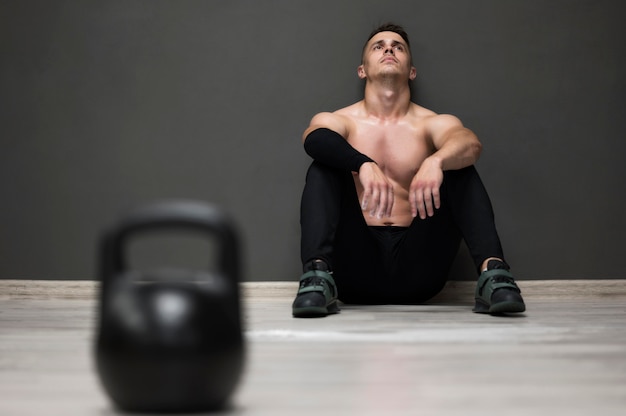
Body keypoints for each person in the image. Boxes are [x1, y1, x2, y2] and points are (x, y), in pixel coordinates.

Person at [292, 23, 525, 317]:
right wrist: (363, 163)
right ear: (362, 70)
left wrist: (436, 161)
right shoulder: (341, 120)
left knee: (457, 162)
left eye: (397, 46)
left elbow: (470, 143)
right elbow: (314, 139)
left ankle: (495, 274)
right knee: (323, 165)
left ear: (412, 71)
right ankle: (316, 275)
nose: (388, 48)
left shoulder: (431, 123)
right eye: (379, 46)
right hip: (352, 270)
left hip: (420, 269)